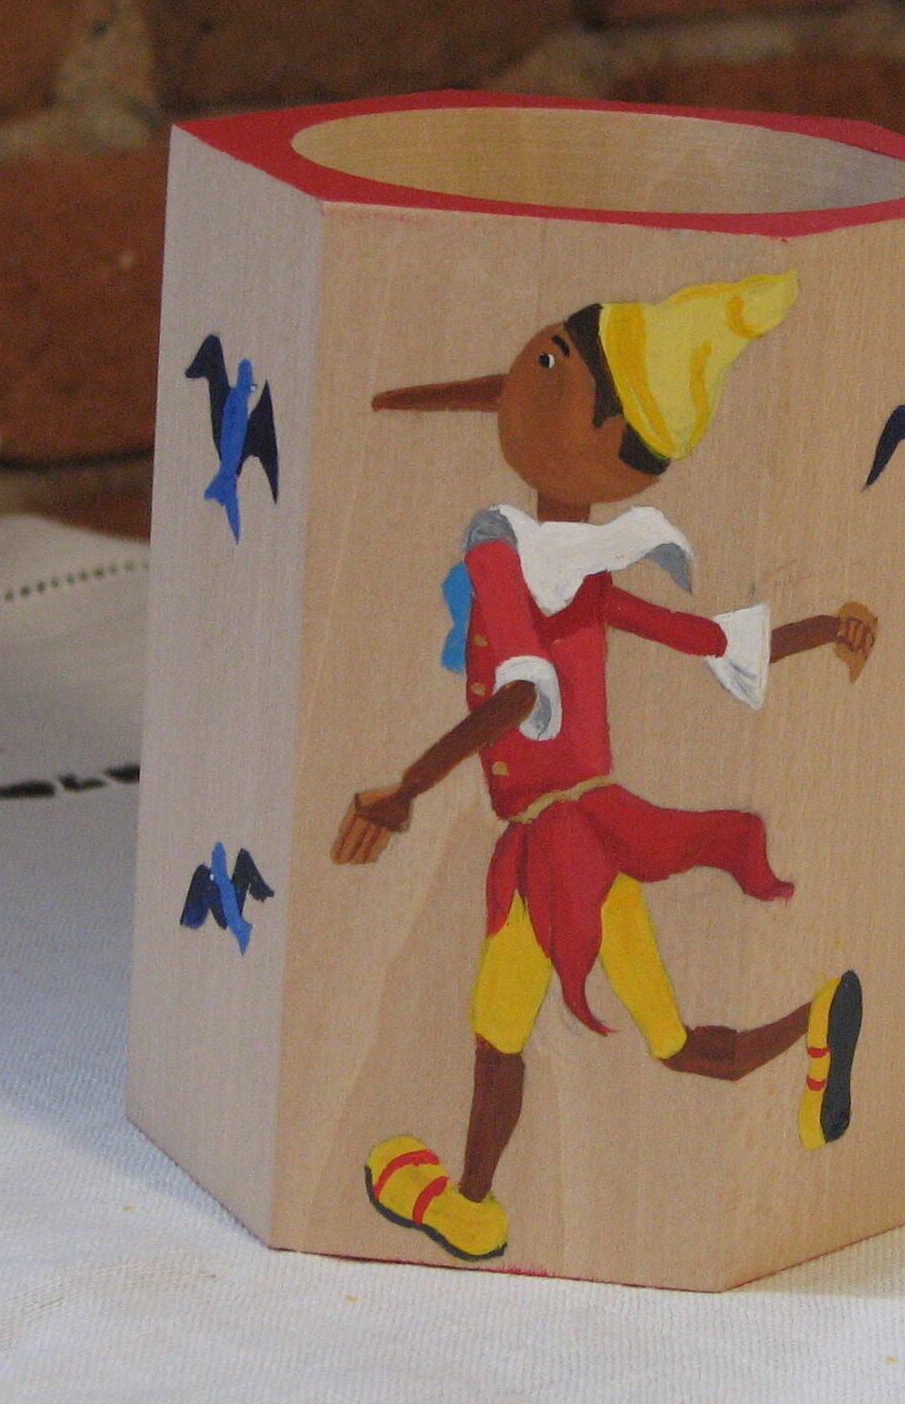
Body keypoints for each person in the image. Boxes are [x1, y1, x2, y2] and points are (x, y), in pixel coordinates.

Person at [335, 272, 874, 1263]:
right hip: (601, 835)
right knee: (669, 1044)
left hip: (553, 842)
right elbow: (712, 640)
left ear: (603, 436)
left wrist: (407, 789)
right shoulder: (584, 578)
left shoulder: (507, 560)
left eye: (546, 363)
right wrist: (826, 628)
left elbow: (520, 693)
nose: (514, 376)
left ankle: (474, 1206)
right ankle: (815, 1024)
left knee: (499, 1034)